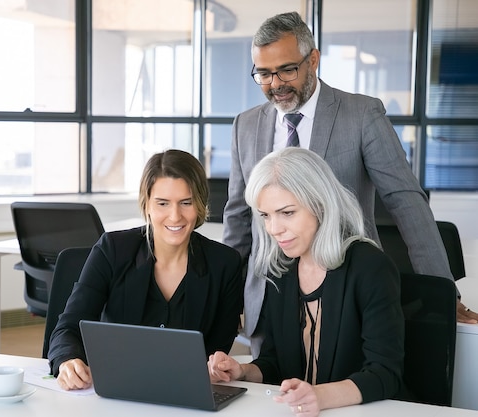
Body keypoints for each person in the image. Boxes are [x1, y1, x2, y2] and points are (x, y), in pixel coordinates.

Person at [223, 11, 477, 357]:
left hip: (344, 290)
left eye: (286, 70)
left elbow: (406, 201)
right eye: (264, 74)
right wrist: (227, 296)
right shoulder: (246, 125)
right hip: (269, 294)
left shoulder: (361, 115)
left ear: (313, 60)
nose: (275, 84)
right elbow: (238, 217)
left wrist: (445, 294)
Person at [209, 147, 404, 416]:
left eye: (287, 212)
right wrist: (241, 370)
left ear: (320, 204)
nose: (274, 228)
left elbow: (385, 374)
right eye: (266, 215)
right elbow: (274, 363)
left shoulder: (370, 267)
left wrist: (319, 396)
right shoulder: (282, 269)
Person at [48, 149, 243, 390]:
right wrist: (67, 360)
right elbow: (67, 328)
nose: (175, 216)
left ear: (200, 204)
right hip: (114, 387)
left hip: (185, 392)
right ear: (147, 204)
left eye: (186, 202)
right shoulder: (112, 250)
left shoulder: (225, 264)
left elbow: (217, 351)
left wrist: (216, 367)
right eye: (163, 203)